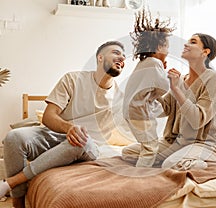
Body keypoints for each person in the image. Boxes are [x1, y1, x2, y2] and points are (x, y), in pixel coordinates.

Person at [0, 40, 126, 208]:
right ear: (100, 57)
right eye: (116, 53)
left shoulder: (123, 99)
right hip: (55, 137)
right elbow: (48, 117)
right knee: (13, 137)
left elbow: (151, 114)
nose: (121, 58)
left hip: (87, 147)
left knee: (81, 140)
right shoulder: (73, 79)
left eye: (124, 56)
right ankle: (18, 203)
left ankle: (10, 182)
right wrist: (69, 128)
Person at [122, 33, 216, 170]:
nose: (186, 44)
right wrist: (154, 82)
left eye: (193, 42)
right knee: (129, 153)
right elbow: (164, 108)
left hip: (204, 143)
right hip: (177, 143)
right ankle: (184, 158)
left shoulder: (213, 78)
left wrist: (176, 89)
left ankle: (211, 163)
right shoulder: (181, 79)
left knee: (170, 164)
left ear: (205, 52)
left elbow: (197, 120)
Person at [122, 9, 175, 167]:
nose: (168, 51)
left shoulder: (144, 62)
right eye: (167, 47)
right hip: (139, 111)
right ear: (159, 47)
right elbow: (163, 87)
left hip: (133, 109)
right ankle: (141, 174)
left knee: (163, 110)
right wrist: (166, 73)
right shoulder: (154, 63)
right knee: (151, 147)